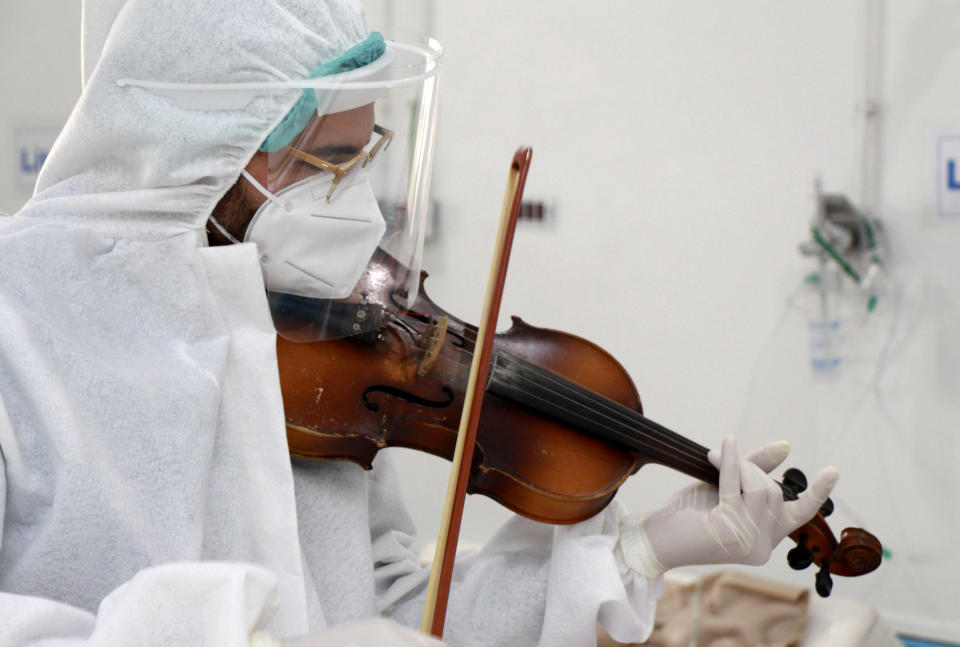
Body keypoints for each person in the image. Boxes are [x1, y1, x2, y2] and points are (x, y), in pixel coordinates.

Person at [0, 1, 838, 645]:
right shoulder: (18, 320)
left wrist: (634, 553)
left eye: (367, 156)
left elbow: (405, 613)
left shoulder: (315, 347)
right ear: (198, 151)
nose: (357, 204)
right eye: (328, 162)